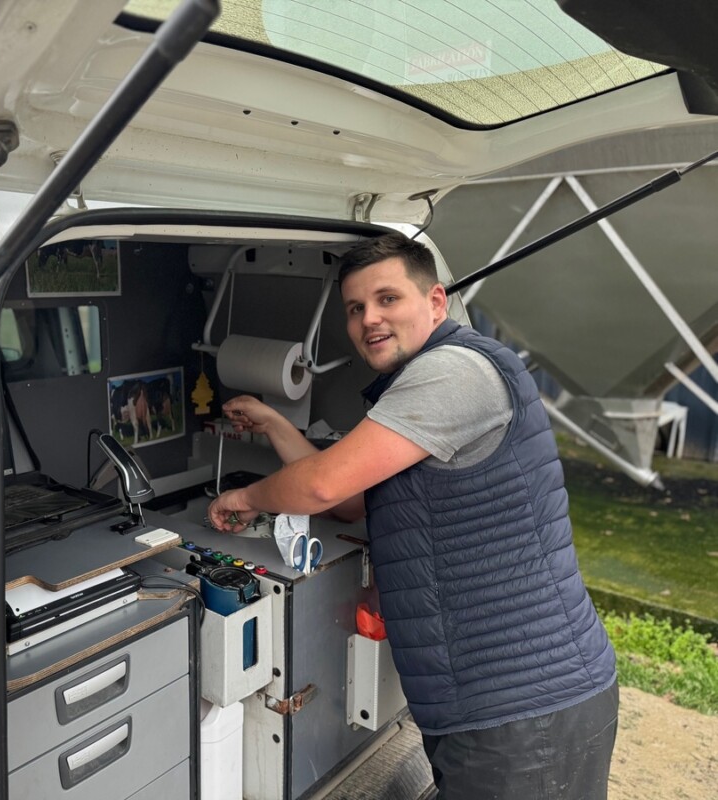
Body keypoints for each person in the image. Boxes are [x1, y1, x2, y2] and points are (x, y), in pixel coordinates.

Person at [207, 232, 618, 799]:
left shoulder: (455, 373)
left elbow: (324, 485)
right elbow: (353, 498)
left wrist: (248, 498)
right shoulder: (423, 382)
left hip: (522, 709)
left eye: (387, 299)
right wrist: (276, 423)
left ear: (435, 302)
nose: (369, 319)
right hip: (493, 705)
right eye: (355, 308)